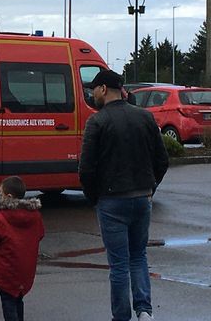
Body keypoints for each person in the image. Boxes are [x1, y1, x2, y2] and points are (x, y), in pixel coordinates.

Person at [79, 70, 169, 321]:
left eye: (93, 89)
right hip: (142, 198)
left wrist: (93, 197)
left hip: (111, 200)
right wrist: (151, 188)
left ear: (104, 90)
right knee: (138, 256)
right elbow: (162, 160)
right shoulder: (145, 117)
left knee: (118, 264)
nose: (92, 93)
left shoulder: (97, 121)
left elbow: (86, 168)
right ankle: (144, 311)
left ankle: (121, 317)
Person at [0, 176, 44, 321]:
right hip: (26, 268)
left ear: (8, 197)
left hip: (7, 268)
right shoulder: (34, 215)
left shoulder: (1, 217)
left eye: (0, 194)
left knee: (8, 302)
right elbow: (40, 233)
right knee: (18, 299)